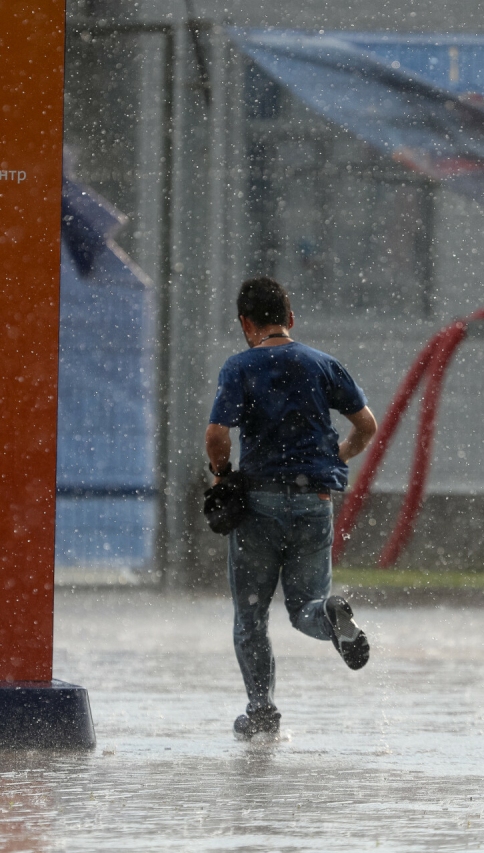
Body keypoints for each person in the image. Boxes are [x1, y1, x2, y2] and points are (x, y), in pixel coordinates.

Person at [205, 276, 379, 741]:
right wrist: (334, 458)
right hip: (314, 500)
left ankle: (261, 713)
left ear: (246, 323)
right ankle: (331, 615)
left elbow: (217, 436)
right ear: (291, 319)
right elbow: (366, 426)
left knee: (251, 617)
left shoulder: (240, 367)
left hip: (258, 503)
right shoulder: (324, 366)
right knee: (304, 607)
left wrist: (222, 477)